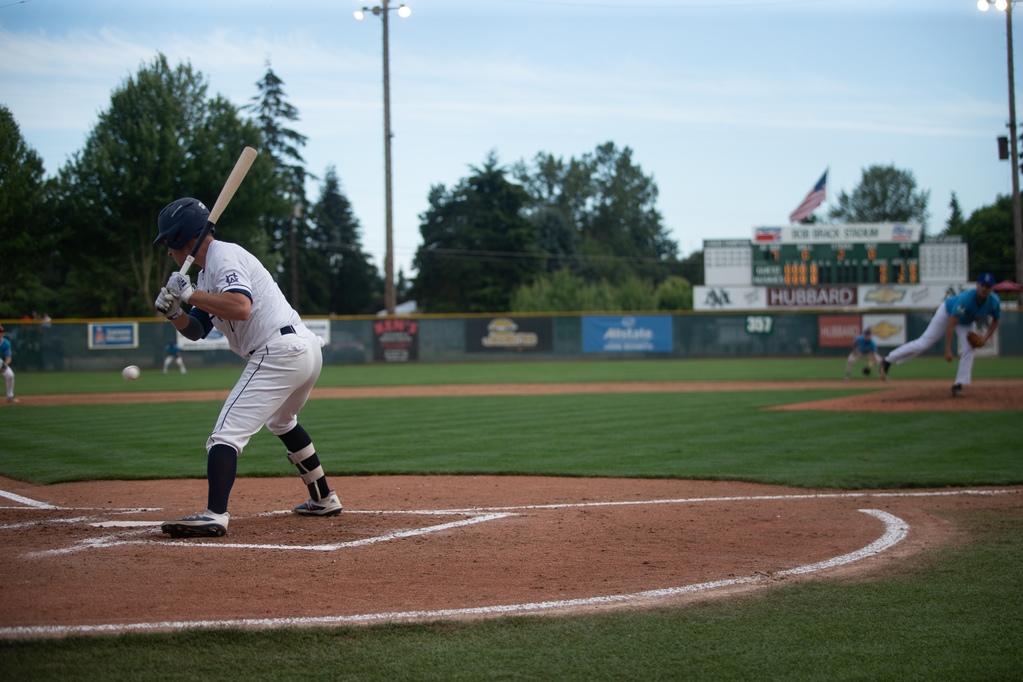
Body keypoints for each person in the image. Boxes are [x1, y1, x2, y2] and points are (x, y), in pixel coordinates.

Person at [152, 197, 342, 538]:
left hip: (279, 351)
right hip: (302, 349)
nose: (168, 251)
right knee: (282, 421)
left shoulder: (223, 256)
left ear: (182, 237)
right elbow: (196, 331)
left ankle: (215, 514)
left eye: (168, 242)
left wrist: (191, 294)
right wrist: (174, 314)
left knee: (225, 435)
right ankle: (324, 497)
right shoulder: (208, 273)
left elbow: (240, 307)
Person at [882, 273, 1001, 398]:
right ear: (977, 285)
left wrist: (985, 338)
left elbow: (996, 320)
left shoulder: (994, 302)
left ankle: (958, 385)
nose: (984, 288)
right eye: (982, 285)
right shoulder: (967, 299)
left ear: (992, 288)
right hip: (947, 313)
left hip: (966, 322)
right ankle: (888, 360)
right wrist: (947, 350)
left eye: (988, 286)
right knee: (923, 343)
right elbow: (951, 323)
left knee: (969, 348)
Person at [0, 325, 17, 403]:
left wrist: (5, 365)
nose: (0, 334)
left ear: (3, 334)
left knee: (10, 375)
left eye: (1, 332)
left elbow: (8, 358)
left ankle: (10, 396)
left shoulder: (6, 343)